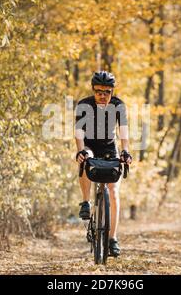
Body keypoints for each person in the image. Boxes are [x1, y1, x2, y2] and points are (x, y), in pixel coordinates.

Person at [75, 71, 133, 257]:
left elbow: (123, 132)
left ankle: (112, 239)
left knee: (114, 192)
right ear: (93, 90)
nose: (102, 95)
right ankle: (85, 202)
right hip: (90, 146)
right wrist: (80, 150)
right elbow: (79, 133)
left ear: (112, 92)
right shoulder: (84, 104)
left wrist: (126, 151)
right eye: (98, 91)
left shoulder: (118, 106)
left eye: (107, 92)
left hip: (110, 149)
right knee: (86, 159)